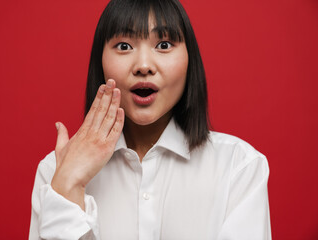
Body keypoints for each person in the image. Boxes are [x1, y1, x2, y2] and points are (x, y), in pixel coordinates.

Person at [29, 0, 272, 239]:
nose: (143, 66)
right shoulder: (55, 171)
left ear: (190, 61)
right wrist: (67, 187)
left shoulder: (238, 167)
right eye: (124, 46)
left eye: (164, 44)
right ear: (99, 62)